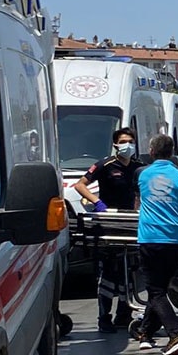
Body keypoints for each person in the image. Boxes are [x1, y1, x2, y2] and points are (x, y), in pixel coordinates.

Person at [134, 134, 178, 355]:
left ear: (151, 152)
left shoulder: (142, 173)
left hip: (150, 237)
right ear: (172, 153)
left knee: (154, 290)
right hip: (174, 238)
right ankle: (146, 333)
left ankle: (175, 335)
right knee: (161, 287)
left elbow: (136, 205)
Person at [73, 127, 145, 333]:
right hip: (109, 222)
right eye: (123, 141)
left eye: (130, 141)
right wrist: (97, 202)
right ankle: (104, 317)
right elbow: (81, 185)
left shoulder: (139, 167)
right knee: (108, 273)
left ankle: (124, 313)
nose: (127, 145)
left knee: (129, 271)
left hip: (130, 222)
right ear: (115, 145)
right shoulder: (105, 165)